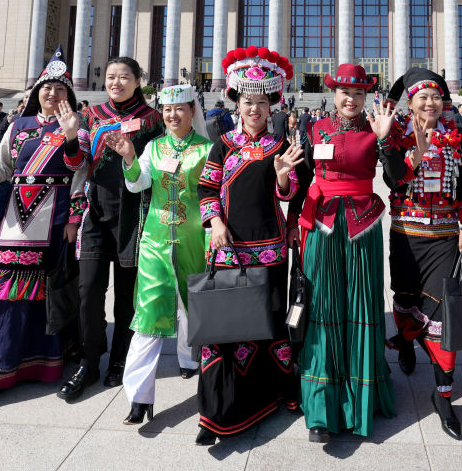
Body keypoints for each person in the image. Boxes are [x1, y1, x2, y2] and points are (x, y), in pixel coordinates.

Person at [0, 50, 90, 407]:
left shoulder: (78, 126)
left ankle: (42, 360)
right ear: (36, 93)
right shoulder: (19, 125)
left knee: (50, 291)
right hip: (17, 218)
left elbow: (79, 171)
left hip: (55, 215)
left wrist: (74, 220)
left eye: (60, 89)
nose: (52, 94)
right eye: (47, 88)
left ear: (69, 95)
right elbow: (1, 164)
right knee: (6, 292)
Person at [194, 45, 303, 445]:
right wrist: (215, 222)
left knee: (267, 324)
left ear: (272, 106)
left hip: (270, 251)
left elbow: (291, 194)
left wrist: (282, 176)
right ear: (236, 104)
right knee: (225, 327)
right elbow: (206, 187)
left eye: (261, 102)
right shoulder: (222, 143)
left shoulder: (282, 146)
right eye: (247, 101)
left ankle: (272, 396)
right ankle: (216, 413)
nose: (254, 108)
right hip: (228, 248)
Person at [287, 64, 399, 442]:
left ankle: (360, 398)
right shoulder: (315, 128)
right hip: (321, 224)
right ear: (333, 94)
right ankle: (320, 406)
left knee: (361, 306)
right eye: (344, 92)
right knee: (322, 307)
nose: (350, 99)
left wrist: (385, 141)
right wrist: (291, 216)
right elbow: (302, 178)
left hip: (362, 226)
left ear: (367, 96)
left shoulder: (377, 129)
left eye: (358, 93)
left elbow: (396, 178)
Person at [60, 56, 162, 401]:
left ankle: (119, 359)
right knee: (88, 290)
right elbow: (77, 162)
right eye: (111, 76)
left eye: (124, 77)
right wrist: (71, 134)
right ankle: (89, 362)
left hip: (135, 214)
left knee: (126, 295)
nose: (116, 83)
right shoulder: (91, 115)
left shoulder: (152, 119)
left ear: (138, 81)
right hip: (97, 212)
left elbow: (157, 166)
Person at [109, 84, 212, 424]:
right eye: (167, 109)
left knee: (192, 306)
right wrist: (129, 157)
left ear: (192, 111)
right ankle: (139, 398)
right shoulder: (153, 147)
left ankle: (189, 358)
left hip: (195, 239)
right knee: (149, 315)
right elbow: (137, 184)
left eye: (180, 108)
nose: (173, 115)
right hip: (155, 242)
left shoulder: (207, 149)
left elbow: (214, 194)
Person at [383, 68, 462, 440]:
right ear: (411, 103)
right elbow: (392, 179)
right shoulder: (395, 135)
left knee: (442, 315)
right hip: (407, 235)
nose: (430, 103)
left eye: (436, 96)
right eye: (423, 97)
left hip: (445, 238)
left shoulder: (457, 136)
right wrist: (413, 155)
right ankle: (405, 342)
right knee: (405, 298)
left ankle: (444, 394)